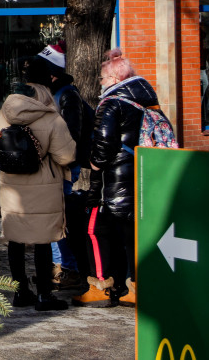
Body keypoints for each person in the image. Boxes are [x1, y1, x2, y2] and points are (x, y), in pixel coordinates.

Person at [75, 49, 154, 308]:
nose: (100, 82)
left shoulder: (111, 103)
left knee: (95, 230)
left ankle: (101, 286)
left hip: (113, 181)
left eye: (102, 78)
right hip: (141, 173)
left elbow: (104, 143)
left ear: (113, 78)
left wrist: (94, 164)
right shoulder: (145, 99)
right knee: (133, 234)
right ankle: (134, 286)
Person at [0, 82, 76, 312]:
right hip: (43, 186)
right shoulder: (51, 118)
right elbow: (66, 156)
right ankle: (44, 296)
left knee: (15, 239)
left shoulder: (3, 115)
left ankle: (20, 292)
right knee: (43, 240)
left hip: (12, 186)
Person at [19, 45, 94, 294]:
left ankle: (66, 268)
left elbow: (71, 135)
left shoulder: (67, 95)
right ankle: (60, 266)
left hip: (60, 168)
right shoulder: (53, 94)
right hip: (51, 167)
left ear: (51, 73)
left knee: (55, 221)